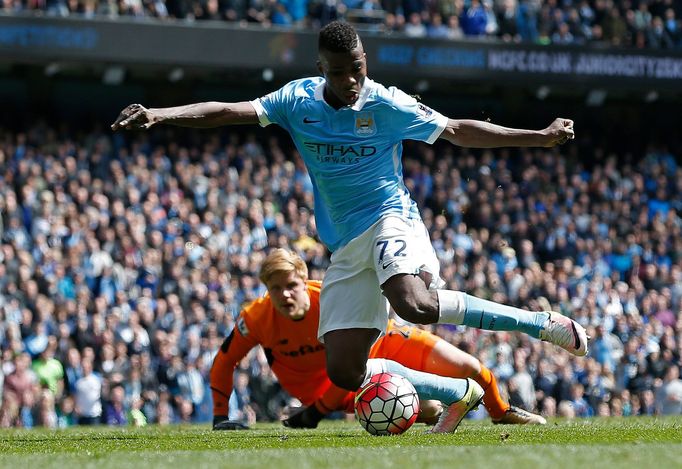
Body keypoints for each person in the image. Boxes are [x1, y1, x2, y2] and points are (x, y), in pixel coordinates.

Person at [112, 20, 587, 430]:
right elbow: (229, 112)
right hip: (345, 244)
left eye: (357, 67)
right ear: (322, 70)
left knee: (414, 304)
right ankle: (459, 391)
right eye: (338, 72)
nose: (351, 80)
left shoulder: (387, 103)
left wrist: (538, 137)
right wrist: (159, 114)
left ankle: (541, 323)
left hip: (390, 219)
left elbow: (458, 130)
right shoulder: (295, 101)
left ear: (365, 60)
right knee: (343, 372)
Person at [210, 249, 546, 430]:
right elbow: (224, 362)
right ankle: (437, 407)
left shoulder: (331, 296)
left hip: (380, 344)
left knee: (470, 367)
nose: (284, 295)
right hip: (330, 388)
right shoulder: (255, 317)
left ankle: (501, 412)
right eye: (275, 288)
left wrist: (314, 416)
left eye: (291, 285)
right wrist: (220, 417)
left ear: (304, 279)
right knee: (424, 409)